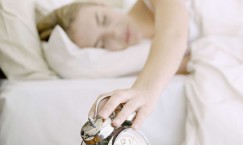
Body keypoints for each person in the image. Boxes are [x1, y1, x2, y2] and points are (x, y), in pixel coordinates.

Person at [37, 0, 192, 129]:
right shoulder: (138, 59)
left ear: (101, 4)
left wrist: (144, 89)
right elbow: (187, 62)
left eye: (104, 20)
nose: (115, 33)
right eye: (102, 43)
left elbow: (174, 33)